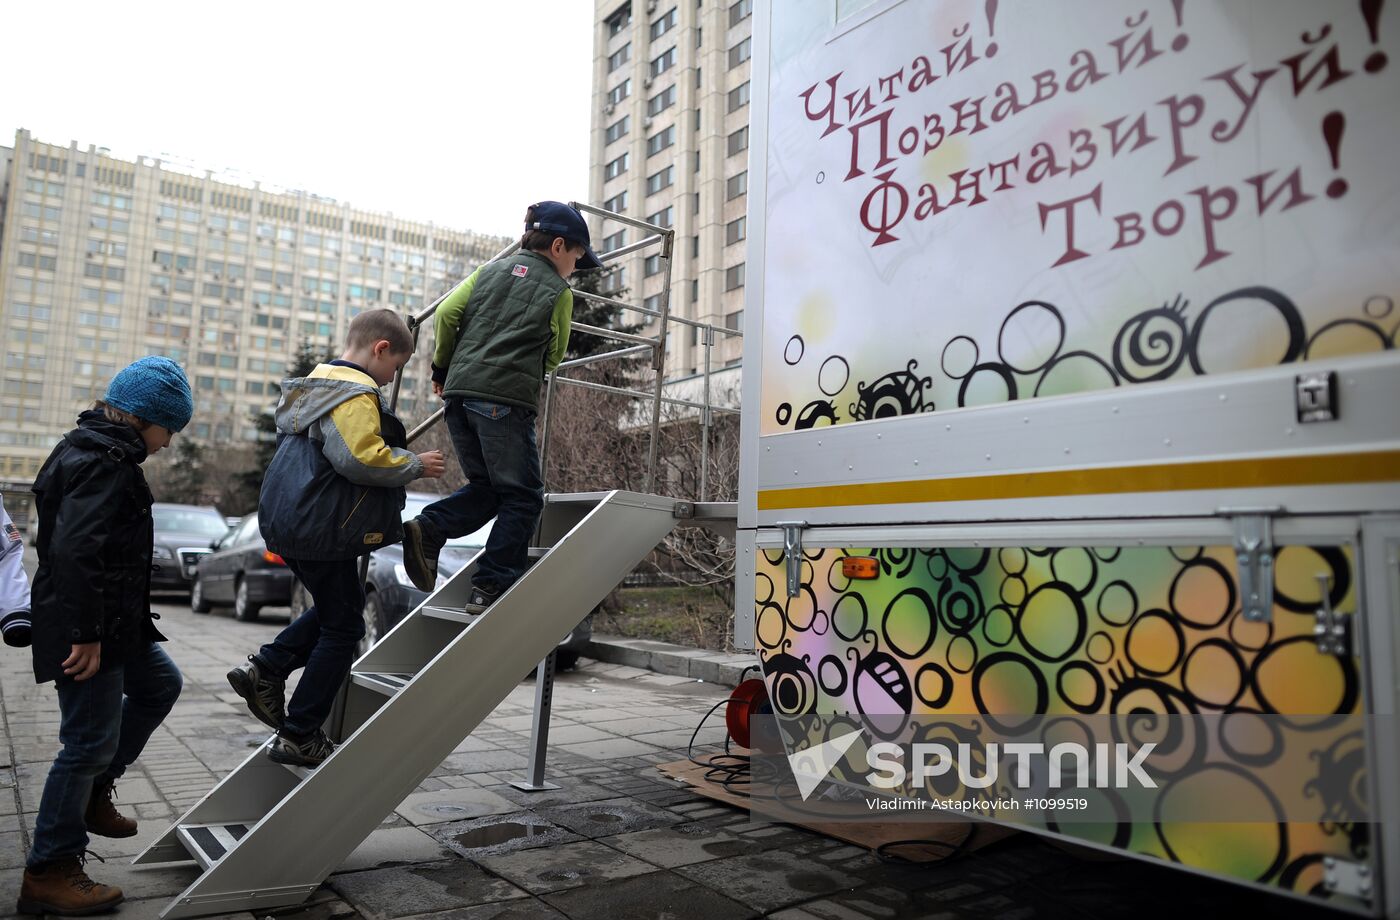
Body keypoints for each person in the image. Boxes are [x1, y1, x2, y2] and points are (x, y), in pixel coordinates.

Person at [227, 309, 445, 768]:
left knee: (336, 610)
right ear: (380, 349)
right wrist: (414, 464)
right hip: (320, 527)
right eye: (394, 369)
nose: (390, 381)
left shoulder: (316, 388)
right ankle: (300, 730)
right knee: (344, 627)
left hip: (294, 522)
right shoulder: (354, 394)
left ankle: (266, 667)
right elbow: (360, 458)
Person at [19, 357, 193, 916]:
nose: (169, 444)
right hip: (87, 627)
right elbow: (74, 552)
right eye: (171, 430)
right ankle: (50, 869)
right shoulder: (104, 461)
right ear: (147, 418)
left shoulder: (98, 450)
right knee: (86, 743)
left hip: (112, 623)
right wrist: (86, 635)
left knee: (159, 683)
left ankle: (96, 792)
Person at [400, 201, 600, 612]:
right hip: (504, 402)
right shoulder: (558, 292)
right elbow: (556, 353)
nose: (575, 269)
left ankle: (430, 528)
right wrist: (531, 368)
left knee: (489, 489)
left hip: (458, 396)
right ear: (559, 246)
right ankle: (489, 586)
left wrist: (443, 366)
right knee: (524, 497)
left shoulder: (487, 272)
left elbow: (449, 314)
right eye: (577, 258)